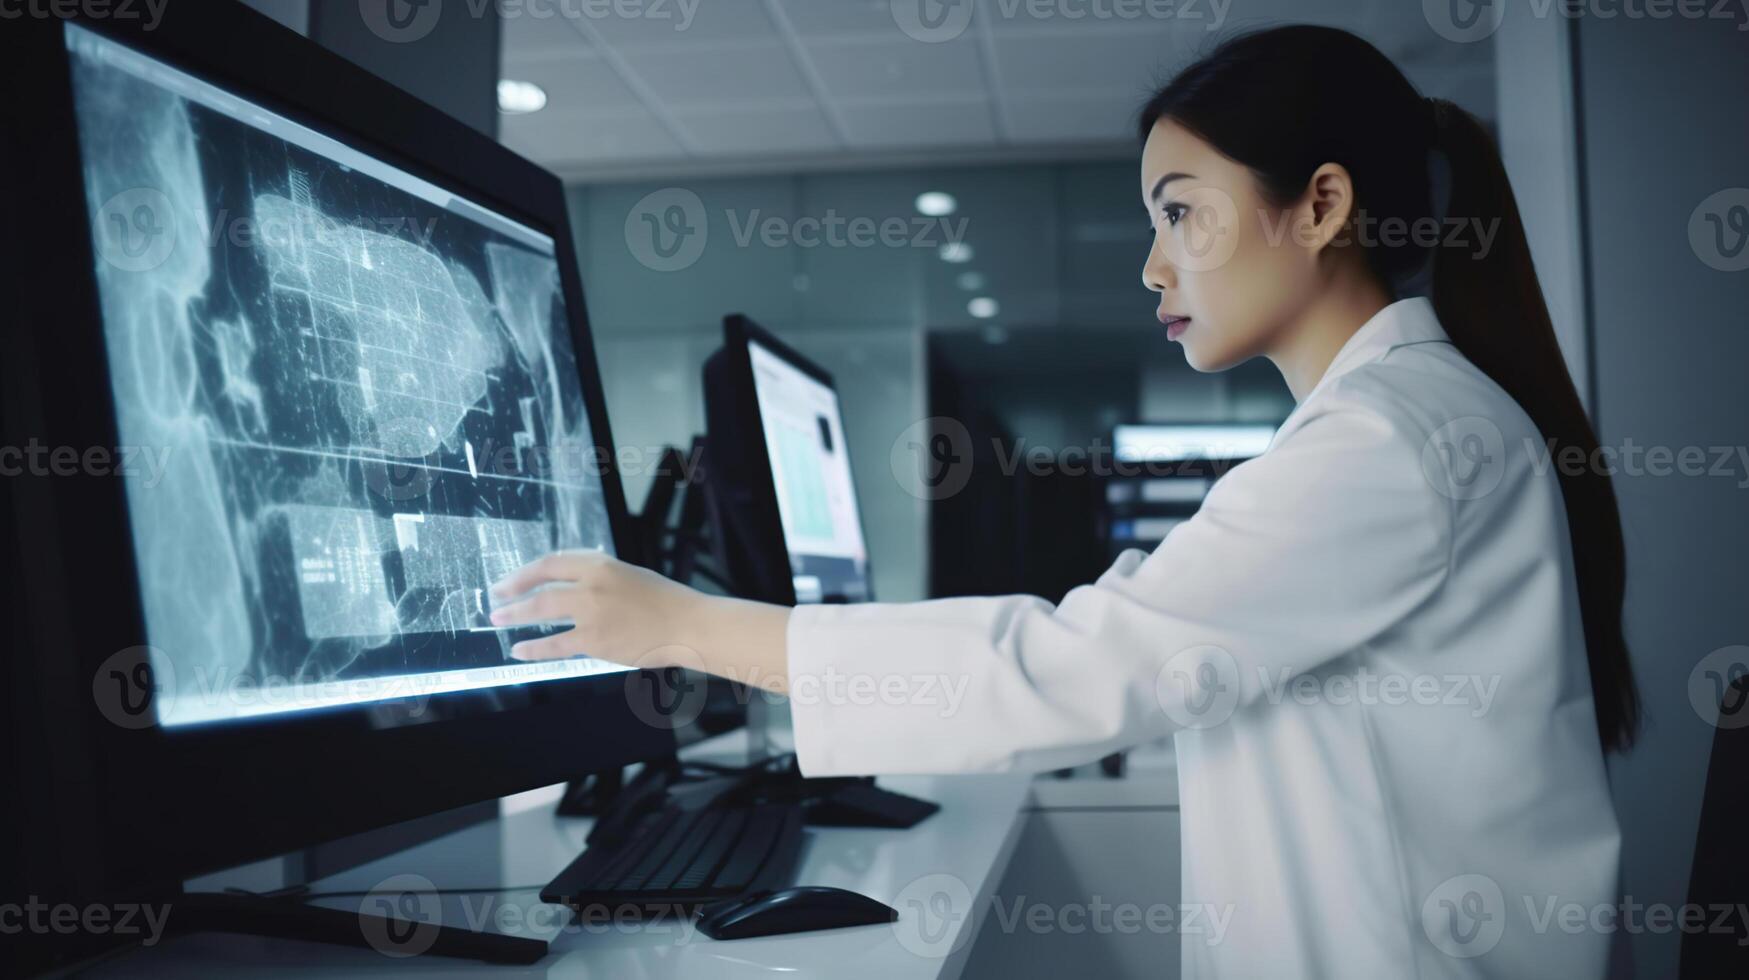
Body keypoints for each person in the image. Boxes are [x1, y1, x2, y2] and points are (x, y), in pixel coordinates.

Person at [489, 26, 1638, 980]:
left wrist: (683, 624)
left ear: (1321, 204)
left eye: (1180, 212)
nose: (1152, 265)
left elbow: (1075, 661)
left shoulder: (1388, 440)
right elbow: (1134, 644)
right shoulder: (1394, 424)